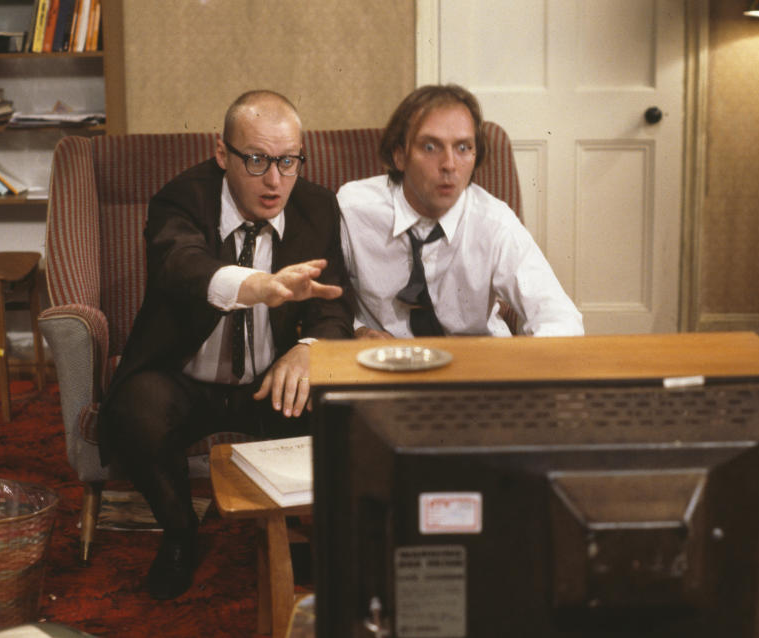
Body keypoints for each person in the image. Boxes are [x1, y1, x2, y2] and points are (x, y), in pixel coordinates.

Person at [98, 90, 353, 600]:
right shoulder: (180, 198)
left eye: (288, 161)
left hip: (267, 381)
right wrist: (251, 285)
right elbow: (178, 263)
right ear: (222, 154)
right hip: (183, 377)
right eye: (256, 160)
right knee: (134, 409)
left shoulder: (319, 208)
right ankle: (179, 533)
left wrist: (306, 347)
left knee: (336, 405)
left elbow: (333, 304)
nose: (275, 180)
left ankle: (310, 535)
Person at [338, 84, 583, 339]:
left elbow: (559, 317)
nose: (449, 165)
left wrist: (523, 368)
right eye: (431, 147)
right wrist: (357, 330)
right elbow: (319, 304)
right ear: (400, 156)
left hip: (479, 365)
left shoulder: (494, 222)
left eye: (463, 148)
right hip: (383, 365)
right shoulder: (352, 209)